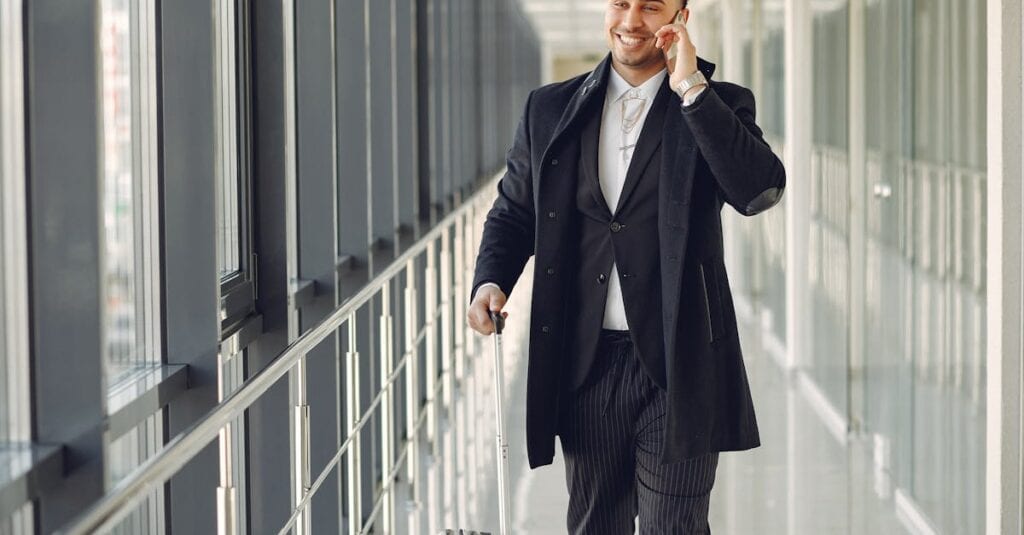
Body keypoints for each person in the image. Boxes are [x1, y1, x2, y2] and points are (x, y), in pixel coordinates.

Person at [466, 0, 786, 532]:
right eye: (621, 3)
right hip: (585, 359)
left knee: (675, 524)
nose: (632, 21)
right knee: (595, 523)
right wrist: (490, 280)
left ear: (680, 17)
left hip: (678, 359)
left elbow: (758, 191)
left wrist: (691, 89)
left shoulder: (718, 105)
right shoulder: (549, 109)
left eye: (652, 7)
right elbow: (514, 210)